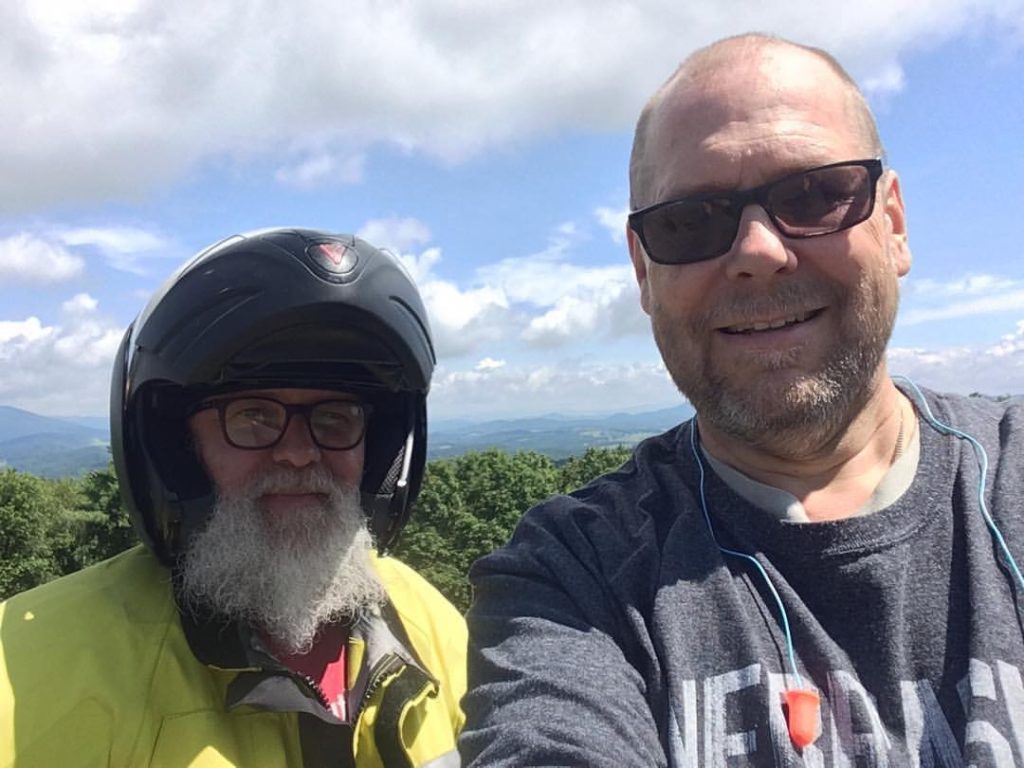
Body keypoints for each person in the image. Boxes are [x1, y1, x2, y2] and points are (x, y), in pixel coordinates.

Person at [459, 34, 1024, 766]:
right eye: (690, 222)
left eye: (815, 194)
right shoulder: (571, 577)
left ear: (894, 223)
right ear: (642, 270)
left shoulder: (1009, 484)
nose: (757, 251)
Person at [0, 228, 466, 767]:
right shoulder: (33, 666)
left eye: (335, 418)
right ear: (180, 451)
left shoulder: (431, 622)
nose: (298, 453)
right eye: (252, 416)